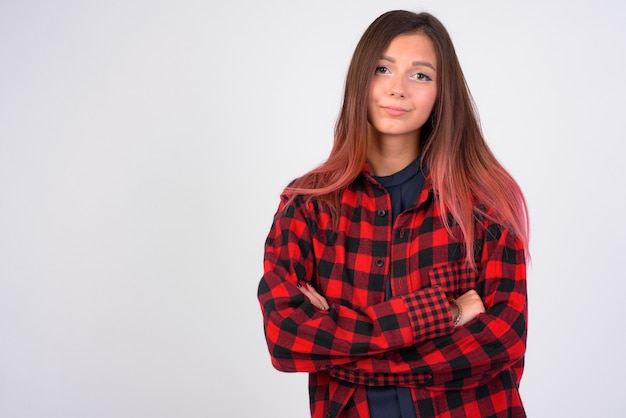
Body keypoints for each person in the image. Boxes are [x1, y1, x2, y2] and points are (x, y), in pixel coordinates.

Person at [257, 9, 530, 418]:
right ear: (360, 79)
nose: (398, 89)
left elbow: (500, 343)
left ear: (442, 92)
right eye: (383, 69)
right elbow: (285, 338)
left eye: (420, 75)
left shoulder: (485, 201)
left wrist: (340, 350)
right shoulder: (308, 205)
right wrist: (447, 313)